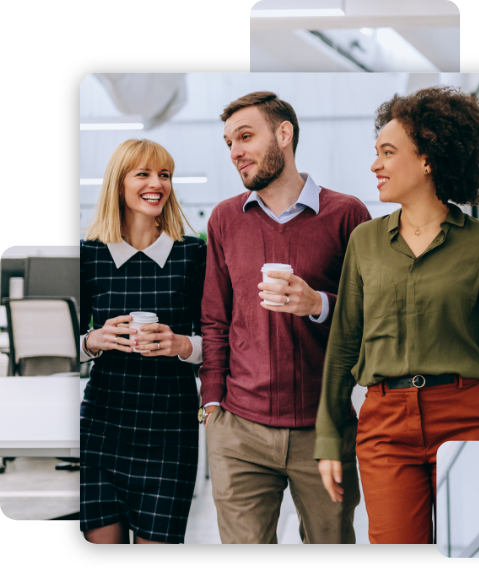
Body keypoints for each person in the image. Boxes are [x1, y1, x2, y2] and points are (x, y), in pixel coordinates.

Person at [315, 85, 479, 545]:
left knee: (476, 547)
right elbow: (343, 345)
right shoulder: (365, 241)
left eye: (387, 152)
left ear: (428, 160)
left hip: (468, 418)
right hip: (383, 426)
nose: (375, 165)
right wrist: (328, 440)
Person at [199, 91, 372, 544]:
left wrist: (319, 304)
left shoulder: (347, 215)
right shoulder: (224, 220)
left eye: (245, 136)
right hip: (238, 429)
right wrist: (212, 401)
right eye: (229, 142)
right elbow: (215, 320)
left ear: (284, 134)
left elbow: (371, 315)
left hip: (324, 428)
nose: (235, 150)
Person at [79, 139, 206, 544]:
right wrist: (94, 340)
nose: (157, 184)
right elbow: (73, 342)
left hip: (169, 429)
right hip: (102, 425)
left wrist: (182, 345)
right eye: (144, 174)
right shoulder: (89, 255)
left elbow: (217, 339)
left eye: (164, 174)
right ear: (119, 184)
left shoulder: (193, 255)